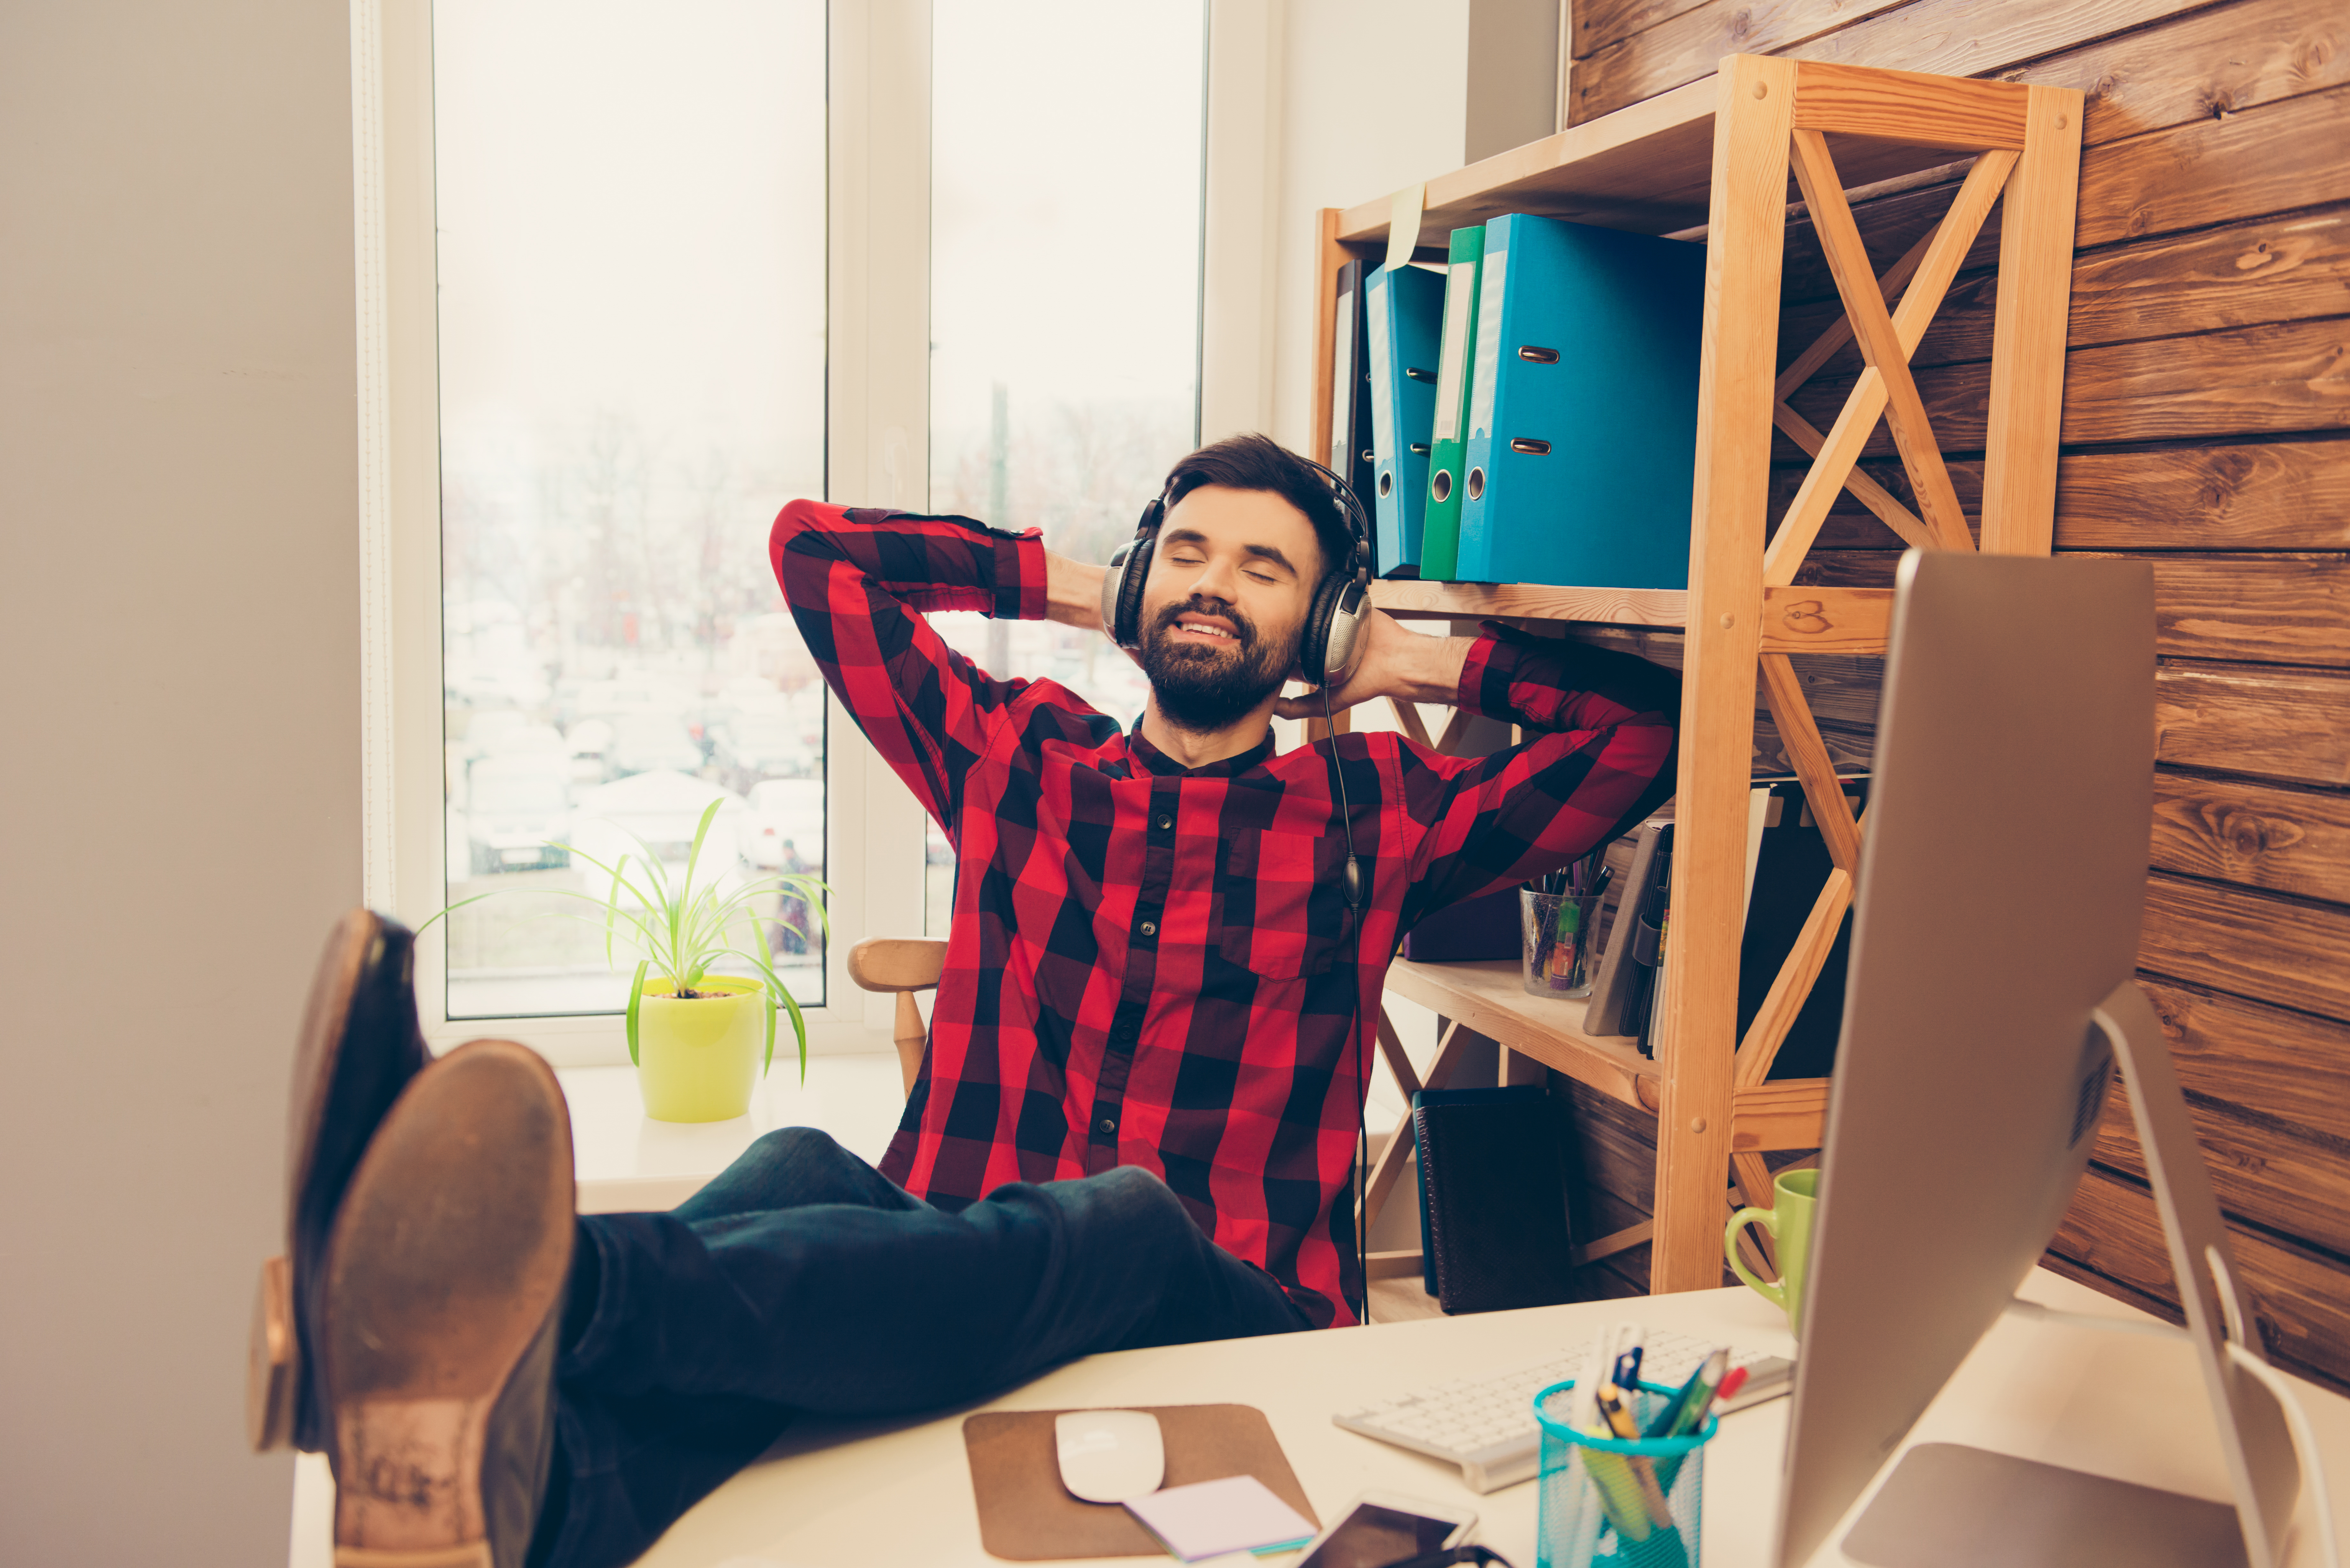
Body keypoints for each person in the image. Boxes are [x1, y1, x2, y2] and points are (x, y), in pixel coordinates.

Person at [258, 435, 1678, 1568]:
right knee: (808, 1166)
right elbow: (812, 556)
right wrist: (1071, 583)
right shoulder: (1017, 754)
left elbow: (1646, 736)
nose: (1210, 583)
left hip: (1219, 1308)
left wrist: (1405, 657)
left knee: (1126, 1208)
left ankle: (517, 1290)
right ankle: (529, 1482)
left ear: (1317, 619)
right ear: (1134, 583)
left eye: (1262, 569)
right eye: (1182, 553)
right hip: (952, 1270)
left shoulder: (1373, 808)